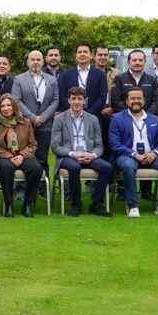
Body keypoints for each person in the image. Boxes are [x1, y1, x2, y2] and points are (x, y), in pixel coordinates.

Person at [109, 87, 158, 218]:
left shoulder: (154, 119)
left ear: (144, 100)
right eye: (132, 98)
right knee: (128, 166)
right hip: (128, 156)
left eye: (139, 98)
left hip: (151, 156)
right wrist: (135, 154)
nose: (136, 101)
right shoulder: (117, 118)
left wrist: (154, 153)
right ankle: (133, 206)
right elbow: (115, 144)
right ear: (127, 101)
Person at [51, 86, 113, 217]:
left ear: (85, 101)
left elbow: (99, 146)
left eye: (79, 99)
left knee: (107, 168)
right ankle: (76, 205)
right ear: (68, 100)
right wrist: (73, 154)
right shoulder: (59, 119)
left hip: (88, 155)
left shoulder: (93, 119)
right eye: (73, 99)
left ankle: (96, 204)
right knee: (74, 168)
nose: (76, 102)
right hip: (68, 156)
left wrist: (92, 155)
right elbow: (55, 146)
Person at [0, 94, 43, 217]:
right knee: (6, 168)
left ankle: (27, 204)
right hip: (2, 158)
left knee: (36, 168)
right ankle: (8, 205)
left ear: (14, 107)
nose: (6, 108)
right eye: (3, 106)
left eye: (9, 105)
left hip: (22, 156)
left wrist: (22, 155)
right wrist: (9, 156)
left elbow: (33, 144)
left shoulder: (26, 122)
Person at [12, 50, 59, 176]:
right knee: (24, 155)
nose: (35, 62)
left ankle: (43, 185)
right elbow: (16, 100)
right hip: (25, 124)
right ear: (28, 62)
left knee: (42, 157)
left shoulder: (52, 80)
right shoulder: (19, 79)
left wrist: (43, 117)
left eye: (38, 59)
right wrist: (32, 117)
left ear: (43, 62)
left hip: (45, 124)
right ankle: (23, 185)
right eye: (32, 59)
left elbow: (55, 100)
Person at [57, 43, 107, 120]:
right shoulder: (66, 75)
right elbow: (63, 96)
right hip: (71, 117)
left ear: (91, 55)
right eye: (79, 52)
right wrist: (74, 112)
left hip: (93, 117)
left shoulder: (100, 75)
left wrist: (88, 114)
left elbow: (102, 97)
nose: (82, 54)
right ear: (76, 55)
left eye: (85, 52)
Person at [111, 49, 158, 116]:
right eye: (134, 60)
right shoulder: (119, 79)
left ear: (145, 62)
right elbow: (116, 101)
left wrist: (146, 117)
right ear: (128, 62)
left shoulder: (152, 80)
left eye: (140, 60)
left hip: (147, 119)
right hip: (125, 119)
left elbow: (156, 102)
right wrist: (131, 117)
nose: (137, 63)